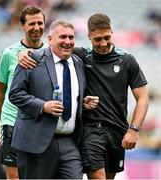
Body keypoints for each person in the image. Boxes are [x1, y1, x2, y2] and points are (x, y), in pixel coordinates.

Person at [18, 13, 149, 179]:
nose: (103, 43)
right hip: (91, 130)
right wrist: (24, 53)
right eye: (97, 39)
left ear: (112, 32)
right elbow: (52, 51)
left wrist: (134, 129)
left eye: (107, 37)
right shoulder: (80, 55)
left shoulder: (127, 60)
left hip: (118, 130)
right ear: (89, 36)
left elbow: (143, 98)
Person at [9, 19, 99, 179]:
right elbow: (15, 94)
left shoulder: (78, 63)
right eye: (62, 37)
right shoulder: (32, 60)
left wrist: (80, 104)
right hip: (37, 142)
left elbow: (70, 95)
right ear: (50, 39)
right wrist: (43, 106)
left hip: (69, 143)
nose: (68, 41)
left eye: (71, 37)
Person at [0, 5, 47, 179]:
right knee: (14, 176)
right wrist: (5, 120)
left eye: (40, 23)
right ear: (22, 25)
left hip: (39, 124)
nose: (36, 28)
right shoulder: (9, 54)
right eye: (32, 23)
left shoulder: (51, 54)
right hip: (12, 124)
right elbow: (0, 91)